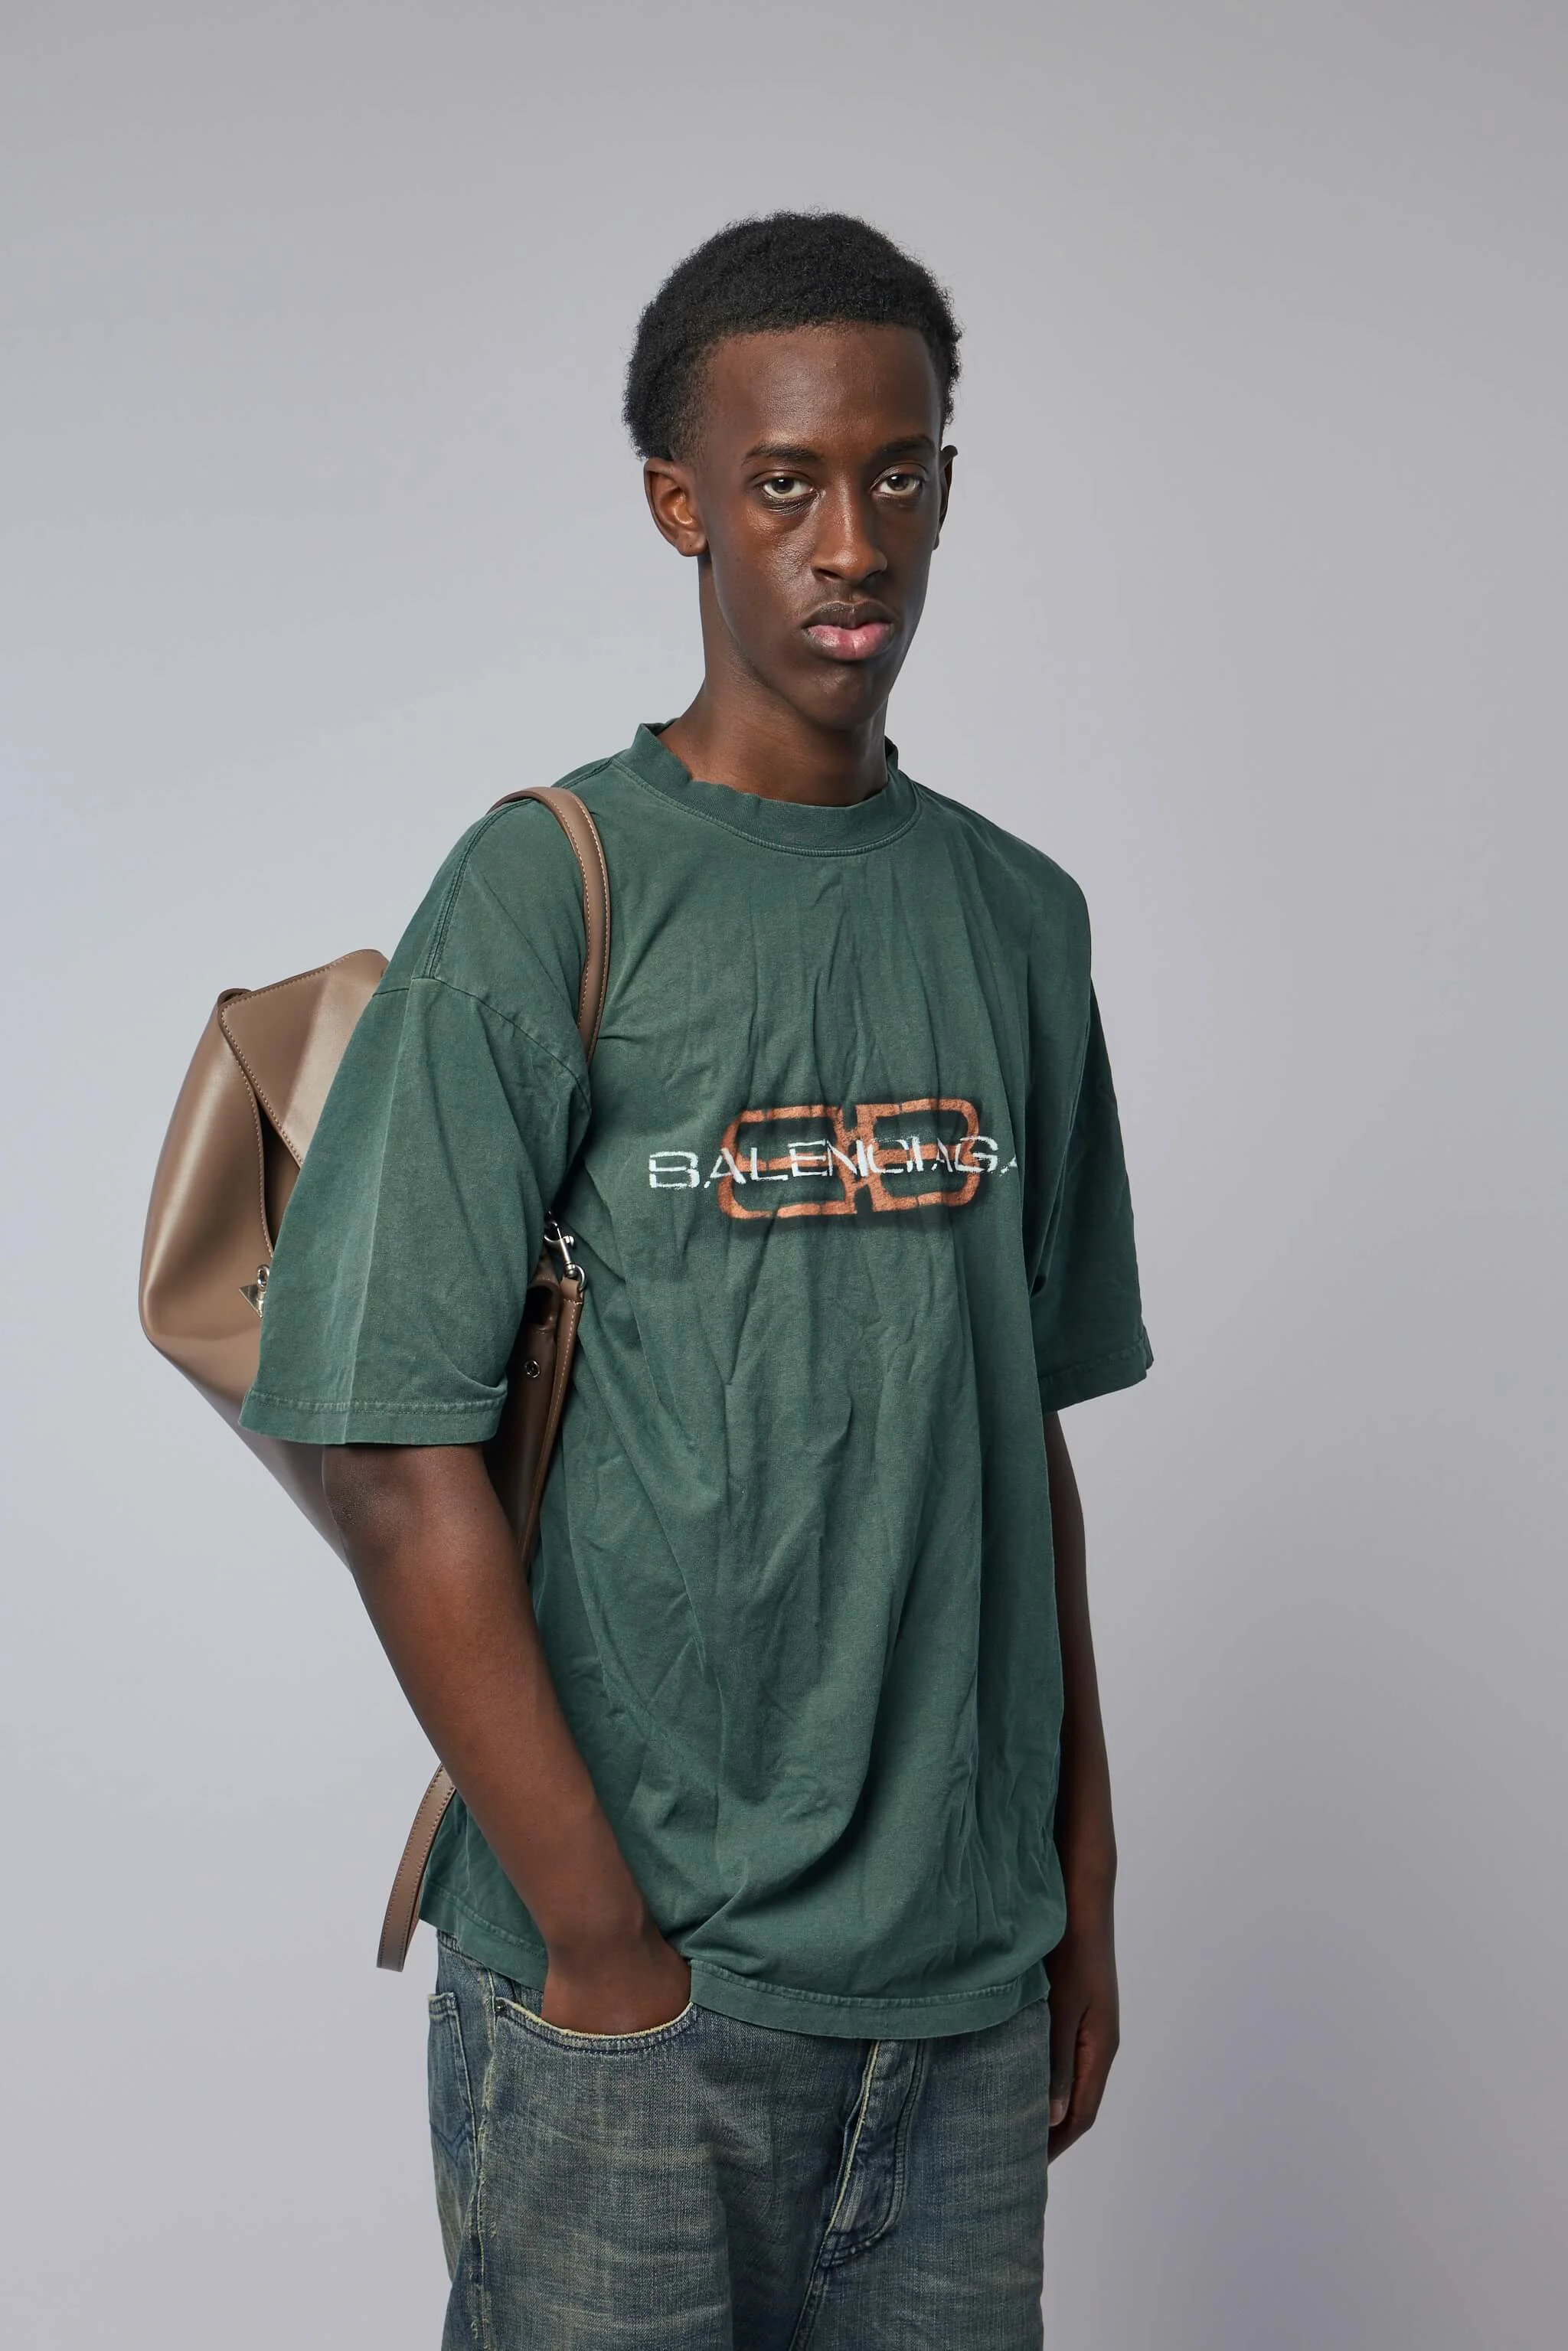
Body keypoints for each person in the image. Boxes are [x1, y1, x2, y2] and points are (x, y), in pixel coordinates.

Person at [241, 211, 1151, 2350]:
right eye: (785, 484)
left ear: (945, 485)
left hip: (960, 2008)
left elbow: (1017, 1428)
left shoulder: (1020, 920)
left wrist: (1081, 1884)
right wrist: (596, 1939)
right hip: (637, 2012)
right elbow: (380, 1440)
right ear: (682, 507)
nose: (852, 541)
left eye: (898, 475)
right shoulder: (550, 886)